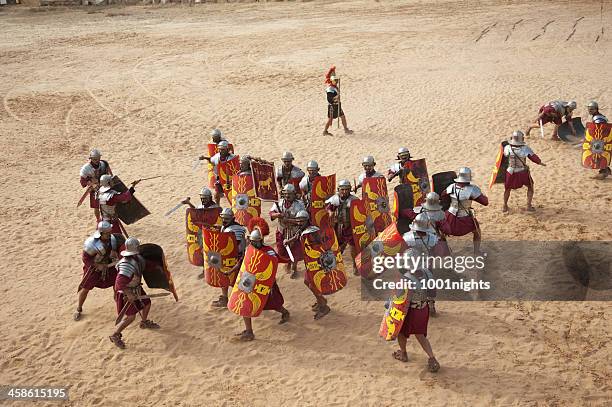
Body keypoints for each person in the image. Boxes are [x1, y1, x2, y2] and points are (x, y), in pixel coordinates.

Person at [391, 214, 440, 373]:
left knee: (401, 332)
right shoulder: (428, 273)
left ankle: (403, 353)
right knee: (420, 335)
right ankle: (432, 358)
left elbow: (399, 300)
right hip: (423, 309)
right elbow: (432, 292)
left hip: (410, 310)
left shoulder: (405, 279)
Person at [234, 224, 291, 342]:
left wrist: (289, 259)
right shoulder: (249, 250)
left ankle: (285, 312)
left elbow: (277, 260)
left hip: (265, 284)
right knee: (245, 304)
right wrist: (231, 269)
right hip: (249, 282)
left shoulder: (269, 252)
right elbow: (243, 262)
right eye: (252, 241)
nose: (254, 244)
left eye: (256, 242)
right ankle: (249, 331)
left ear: (261, 241)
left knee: (273, 304)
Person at [110, 237, 160, 349]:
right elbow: (119, 284)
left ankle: (144, 322)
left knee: (147, 303)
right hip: (125, 293)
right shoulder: (126, 264)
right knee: (131, 317)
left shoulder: (138, 259)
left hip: (136, 288)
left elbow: (145, 265)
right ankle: (115, 335)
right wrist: (129, 294)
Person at [75, 221, 123, 321]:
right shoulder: (91, 243)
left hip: (109, 266)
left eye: (110, 231)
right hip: (94, 269)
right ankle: (79, 308)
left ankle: (119, 306)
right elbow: (86, 258)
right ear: (101, 233)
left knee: (117, 285)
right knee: (85, 288)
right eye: (107, 233)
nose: (110, 234)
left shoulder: (112, 239)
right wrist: (97, 265)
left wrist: (116, 257)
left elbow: (118, 250)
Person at [440, 167, 489, 255]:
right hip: (465, 218)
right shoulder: (472, 189)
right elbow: (485, 202)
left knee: (441, 232)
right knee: (477, 231)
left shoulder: (451, 187)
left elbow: (443, 195)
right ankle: (476, 252)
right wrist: (481, 195)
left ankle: (446, 251)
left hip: (449, 216)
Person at [502, 131, 546, 212]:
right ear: (521, 139)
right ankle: (528, 206)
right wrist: (540, 162)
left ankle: (504, 206)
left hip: (510, 171)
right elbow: (533, 157)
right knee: (530, 186)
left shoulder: (507, 147)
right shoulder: (525, 148)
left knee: (507, 189)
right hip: (522, 172)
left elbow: (504, 156)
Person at [270, 184, 306, 278]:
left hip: (294, 231)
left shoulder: (299, 205)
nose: (287, 196)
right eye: (286, 194)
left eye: (290, 194)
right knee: (283, 251)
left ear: (294, 194)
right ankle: (288, 265)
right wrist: (278, 214)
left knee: (295, 252)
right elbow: (271, 214)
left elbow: (302, 220)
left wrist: (289, 220)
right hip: (282, 230)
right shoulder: (279, 203)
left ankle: (294, 269)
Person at [214, 208, 246, 308]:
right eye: (223, 218)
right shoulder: (227, 227)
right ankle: (224, 298)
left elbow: (233, 245)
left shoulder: (235, 229)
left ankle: (242, 301)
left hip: (237, 258)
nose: (224, 221)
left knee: (239, 280)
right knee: (224, 276)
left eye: (227, 219)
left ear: (232, 218)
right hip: (228, 257)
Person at [325, 179, 359, 275]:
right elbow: (328, 207)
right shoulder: (335, 199)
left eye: (346, 189)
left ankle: (355, 265)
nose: (344, 192)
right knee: (337, 248)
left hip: (350, 227)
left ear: (349, 189)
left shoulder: (354, 200)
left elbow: (360, 211)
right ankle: (335, 268)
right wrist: (330, 212)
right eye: (342, 189)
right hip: (338, 227)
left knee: (353, 247)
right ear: (338, 189)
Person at [79, 149, 112, 221]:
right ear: (91, 158)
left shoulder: (104, 164)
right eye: (94, 159)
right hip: (94, 189)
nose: (96, 160)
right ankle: (98, 220)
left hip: (105, 187)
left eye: (98, 159)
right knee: (96, 206)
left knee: (108, 204)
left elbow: (110, 175)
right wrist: (91, 182)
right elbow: (82, 181)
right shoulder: (86, 168)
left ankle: (108, 218)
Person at [323, 66, 353, 136]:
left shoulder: (335, 87)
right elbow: (330, 99)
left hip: (338, 105)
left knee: (342, 116)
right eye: (335, 81)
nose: (336, 82)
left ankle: (346, 129)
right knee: (330, 120)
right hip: (332, 106)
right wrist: (336, 97)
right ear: (332, 81)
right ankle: (325, 131)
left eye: (337, 81)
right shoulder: (330, 89)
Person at [586, 101, 611, 179]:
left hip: (601, 139)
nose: (590, 111)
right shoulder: (598, 116)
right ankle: (607, 170)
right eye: (589, 109)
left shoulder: (597, 118)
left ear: (596, 109)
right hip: (601, 139)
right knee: (599, 154)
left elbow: (600, 128)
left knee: (598, 155)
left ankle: (603, 173)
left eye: (592, 109)